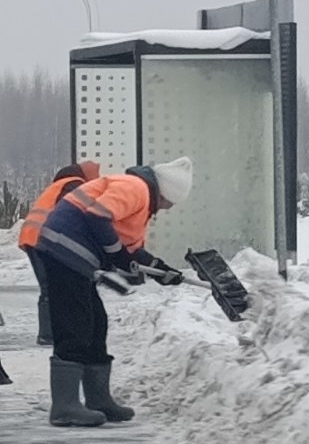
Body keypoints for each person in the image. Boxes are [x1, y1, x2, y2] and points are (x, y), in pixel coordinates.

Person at [32, 158, 193, 428]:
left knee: (96, 325)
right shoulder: (135, 188)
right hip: (64, 249)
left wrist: (160, 269)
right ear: (165, 192)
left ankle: (98, 399)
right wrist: (116, 254)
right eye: (172, 202)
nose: (169, 208)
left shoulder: (139, 198)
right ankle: (64, 406)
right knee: (76, 325)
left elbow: (130, 248)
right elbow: (98, 215)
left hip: (73, 255)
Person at [16, 159, 100, 344]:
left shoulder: (63, 183)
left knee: (53, 287)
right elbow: (77, 215)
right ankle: (48, 335)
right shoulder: (74, 185)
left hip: (36, 236)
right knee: (51, 287)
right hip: (42, 238)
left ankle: (53, 332)